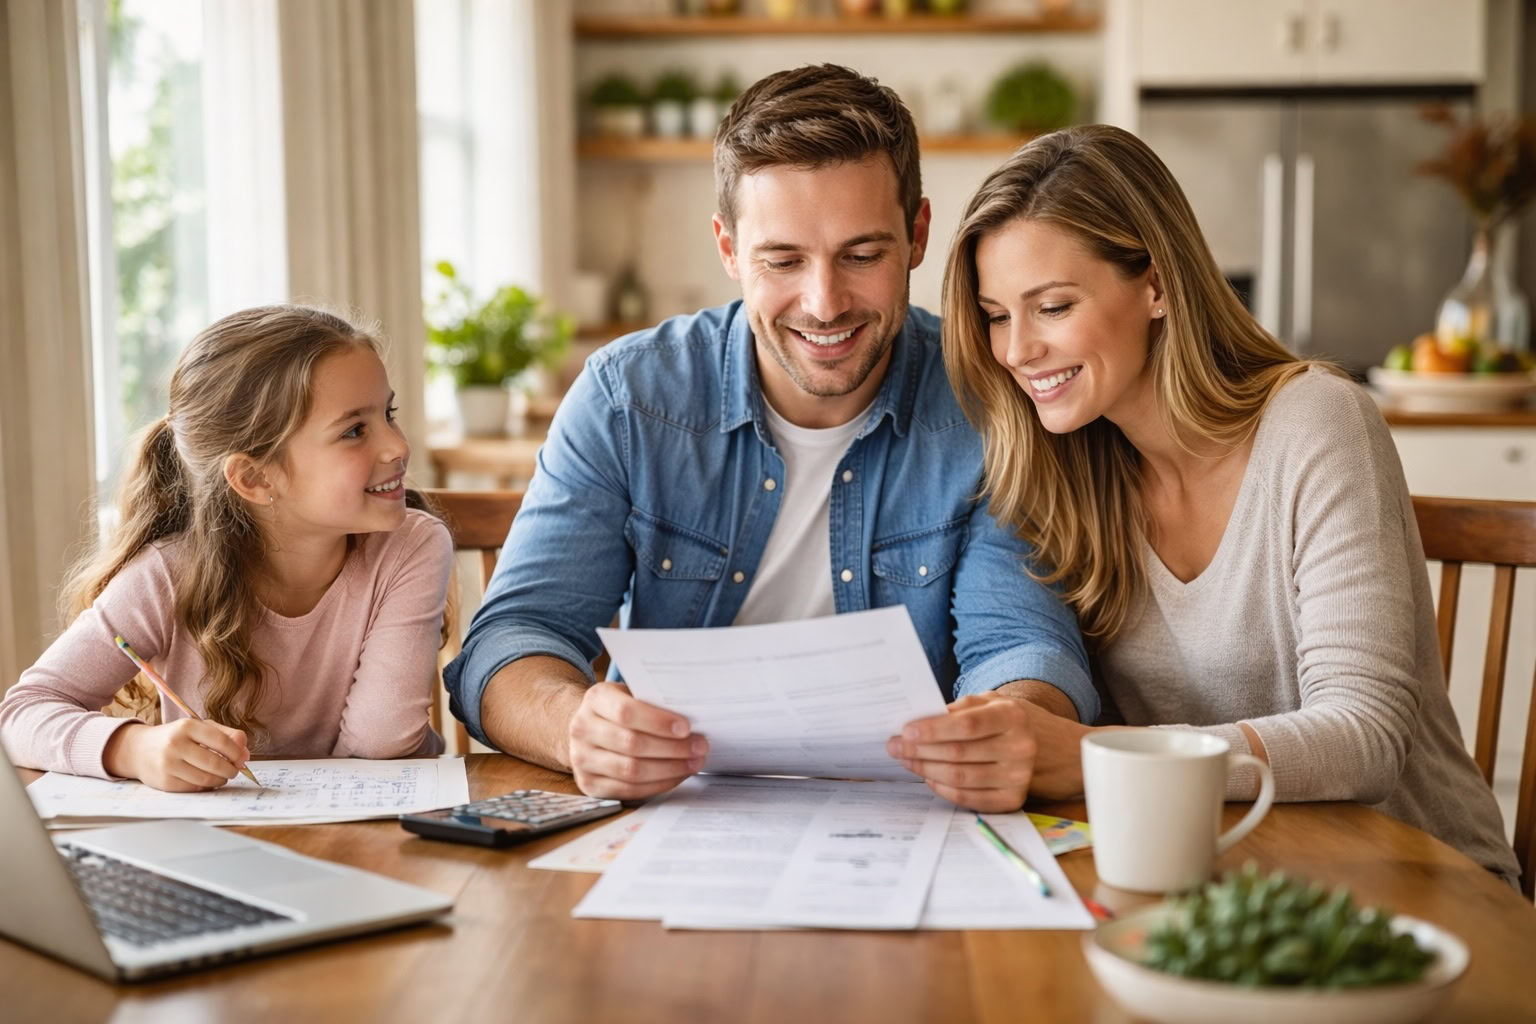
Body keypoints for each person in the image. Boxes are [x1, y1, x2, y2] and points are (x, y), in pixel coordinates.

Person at [445, 64, 1093, 811]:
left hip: (907, 820)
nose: (824, 303)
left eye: (862, 255)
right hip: (670, 819)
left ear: (917, 235)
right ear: (728, 248)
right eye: (783, 260)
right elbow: (511, 639)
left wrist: (1014, 722)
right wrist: (573, 727)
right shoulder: (629, 397)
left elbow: (1018, 645)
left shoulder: (988, 401)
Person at [927, 123, 1519, 883]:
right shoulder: (1065, 470)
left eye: (1051, 306)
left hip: (1411, 882)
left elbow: (1365, 737)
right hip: (1220, 880)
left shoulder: (1316, 422)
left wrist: (1092, 754)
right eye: (998, 314)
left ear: (1157, 286)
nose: (1016, 351)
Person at [0, 305, 454, 792]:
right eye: (354, 431)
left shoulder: (410, 545)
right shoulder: (167, 576)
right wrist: (134, 748)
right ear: (255, 478)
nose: (398, 446)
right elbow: (21, 716)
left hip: (376, 834)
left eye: (388, 414)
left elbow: (381, 741)